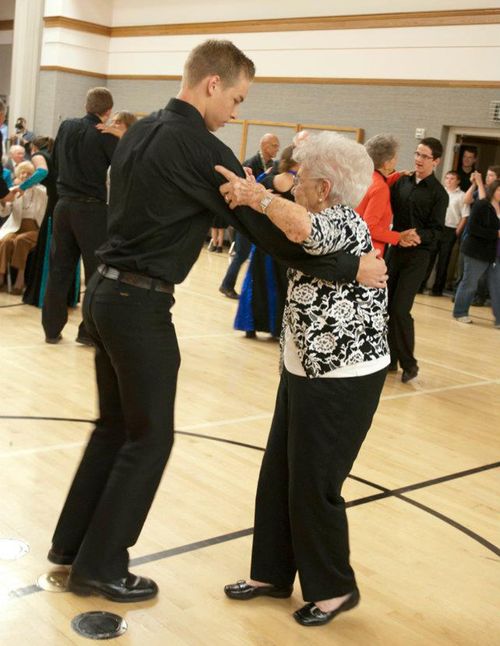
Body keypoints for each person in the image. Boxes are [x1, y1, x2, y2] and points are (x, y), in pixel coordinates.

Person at [46, 39, 388, 604]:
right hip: (140, 306)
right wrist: (353, 265)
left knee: (114, 428)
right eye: (236, 98)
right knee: (149, 439)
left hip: (106, 292)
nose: (236, 111)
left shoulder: (139, 132)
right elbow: (266, 235)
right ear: (212, 84)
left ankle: (71, 548)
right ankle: (101, 567)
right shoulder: (200, 148)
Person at [218, 131, 389, 627]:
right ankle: (271, 574)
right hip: (304, 368)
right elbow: (286, 237)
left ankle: (335, 588)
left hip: (342, 377)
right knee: (279, 476)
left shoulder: (341, 221)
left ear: (325, 187)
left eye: (301, 178)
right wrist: (256, 199)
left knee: (314, 483)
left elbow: (302, 234)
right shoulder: (322, 218)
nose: (293, 185)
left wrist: (258, 196)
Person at [41, 87, 119, 345]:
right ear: (107, 113)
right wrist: (121, 136)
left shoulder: (66, 127)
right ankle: (87, 331)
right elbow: (123, 166)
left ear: (87, 105)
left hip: (63, 205)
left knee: (59, 268)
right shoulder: (105, 135)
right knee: (95, 272)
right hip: (91, 210)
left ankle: (51, 329)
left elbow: (56, 163)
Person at [387, 137, 448, 383]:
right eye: (417, 154)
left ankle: (409, 364)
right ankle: (389, 360)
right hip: (395, 251)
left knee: (401, 309)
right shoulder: (401, 182)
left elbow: (437, 232)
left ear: (436, 161)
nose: (418, 159)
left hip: (418, 256)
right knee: (386, 307)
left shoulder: (439, 194)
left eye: (424, 156)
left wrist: (414, 236)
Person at [235, 144, 297, 338]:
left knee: (255, 281)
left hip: (262, 239)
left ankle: (250, 325)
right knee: (278, 284)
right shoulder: (296, 184)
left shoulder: (268, 177)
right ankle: (275, 328)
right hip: (282, 242)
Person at [218, 132, 280, 298]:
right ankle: (227, 285)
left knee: (249, 255)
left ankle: (246, 289)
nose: (277, 149)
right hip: (245, 218)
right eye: (274, 145)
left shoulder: (273, 166)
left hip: (258, 219)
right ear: (265, 146)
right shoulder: (251, 164)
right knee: (241, 254)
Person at [356, 134, 419, 256]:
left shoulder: (365, 177)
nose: (397, 160)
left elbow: (375, 185)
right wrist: (398, 237)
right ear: (386, 164)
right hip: (369, 251)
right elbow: (369, 227)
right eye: (395, 157)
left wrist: (396, 176)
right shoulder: (381, 188)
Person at [452, 179, 500, 326]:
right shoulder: (481, 205)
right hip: (476, 251)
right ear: (493, 190)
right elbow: (473, 228)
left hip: (494, 253)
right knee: (470, 283)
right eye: (499, 190)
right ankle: (460, 312)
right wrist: (495, 234)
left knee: (497, 285)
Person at [0, 162, 47, 293]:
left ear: (33, 176)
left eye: (29, 173)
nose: (25, 175)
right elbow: (4, 212)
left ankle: (20, 278)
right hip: (15, 227)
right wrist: (3, 202)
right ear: (18, 175)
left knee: (21, 240)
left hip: (35, 229)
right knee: (5, 240)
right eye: (22, 173)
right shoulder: (12, 191)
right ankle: (1, 276)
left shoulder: (42, 191)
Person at [422, 170, 465, 296]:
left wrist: (457, 231)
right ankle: (421, 285)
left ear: (458, 181)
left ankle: (437, 289)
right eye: (447, 178)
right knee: (429, 257)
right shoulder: (440, 192)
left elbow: (464, 215)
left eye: (452, 178)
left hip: (451, 229)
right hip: (437, 227)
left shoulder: (462, 195)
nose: (449, 180)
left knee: (443, 260)